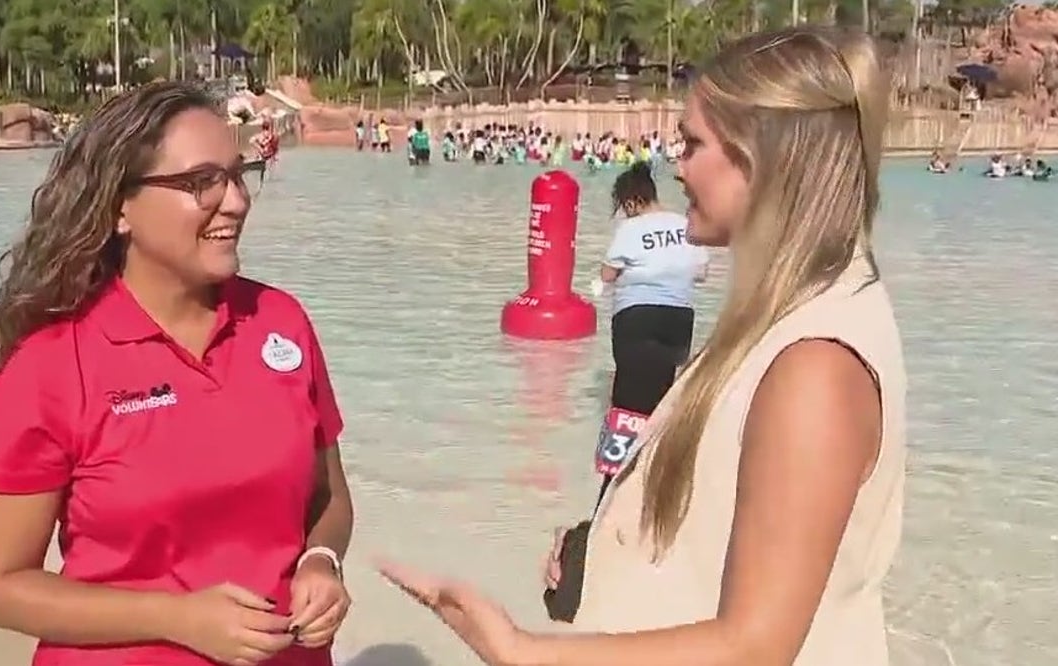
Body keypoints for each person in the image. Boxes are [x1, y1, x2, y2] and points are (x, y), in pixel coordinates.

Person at [380, 25, 906, 666]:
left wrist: (521, 651)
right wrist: (601, 549)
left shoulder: (815, 364)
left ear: (762, 157)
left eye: (693, 142)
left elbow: (755, 646)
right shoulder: (791, 314)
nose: (674, 163)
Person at [0, 81, 354, 666]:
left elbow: (330, 500)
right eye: (202, 183)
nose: (236, 202)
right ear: (121, 206)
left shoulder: (282, 323)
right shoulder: (51, 364)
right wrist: (176, 618)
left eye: (238, 173)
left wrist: (321, 561)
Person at [592, 162, 708, 493]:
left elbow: (607, 275)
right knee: (662, 400)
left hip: (636, 318)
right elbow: (700, 272)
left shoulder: (630, 229)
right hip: (678, 320)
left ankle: (612, 488)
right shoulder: (684, 224)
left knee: (626, 407)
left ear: (630, 203)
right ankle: (656, 483)